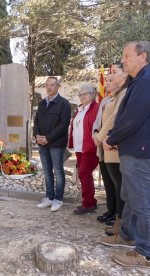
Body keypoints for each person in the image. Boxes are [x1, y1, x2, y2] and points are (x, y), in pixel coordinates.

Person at [100, 41, 150, 267]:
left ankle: (145, 252)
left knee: (141, 201)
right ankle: (128, 235)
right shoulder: (138, 81)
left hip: (139, 152)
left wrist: (112, 138)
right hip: (131, 149)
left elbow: (132, 118)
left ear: (143, 56)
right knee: (130, 196)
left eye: (127, 56)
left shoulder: (146, 81)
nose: (123, 60)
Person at [94, 62, 128, 233]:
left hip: (114, 145)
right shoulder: (112, 97)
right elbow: (101, 119)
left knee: (120, 186)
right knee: (113, 183)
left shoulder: (124, 93)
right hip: (107, 144)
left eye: (114, 72)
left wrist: (100, 137)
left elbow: (115, 118)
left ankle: (121, 223)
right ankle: (117, 218)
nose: (110, 78)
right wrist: (97, 133)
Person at [33, 77, 71, 212]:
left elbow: (63, 125)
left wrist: (48, 138)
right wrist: (37, 136)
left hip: (56, 144)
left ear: (58, 86)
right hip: (42, 144)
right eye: (47, 85)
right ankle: (49, 197)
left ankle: (58, 199)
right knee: (47, 172)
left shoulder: (64, 104)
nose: (49, 87)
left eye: (52, 85)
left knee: (58, 172)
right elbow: (36, 121)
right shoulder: (42, 103)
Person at [68, 84, 99, 215]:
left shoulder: (96, 108)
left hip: (90, 146)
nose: (82, 96)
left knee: (83, 173)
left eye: (85, 94)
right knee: (85, 175)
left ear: (92, 95)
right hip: (80, 147)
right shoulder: (79, 109)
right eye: (80, 94)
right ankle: (91, 201)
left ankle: (88, 204)